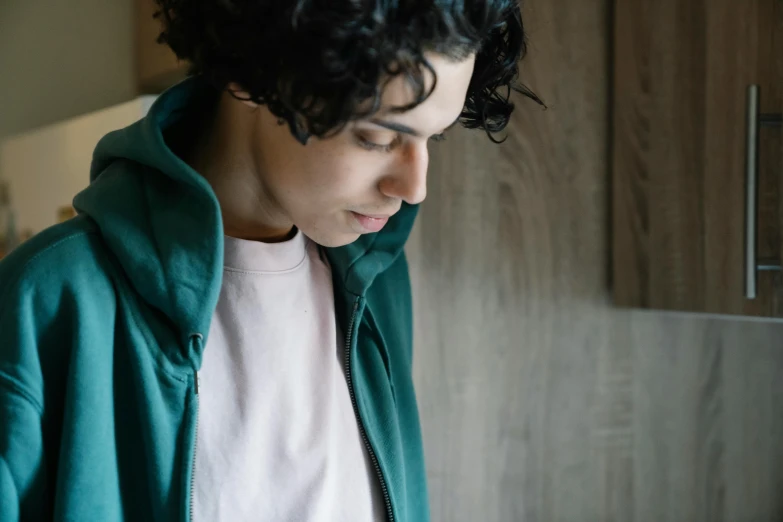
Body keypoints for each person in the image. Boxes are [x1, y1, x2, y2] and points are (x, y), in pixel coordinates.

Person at [0, 0, 542, 520]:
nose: (415, 187)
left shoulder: (377, 279)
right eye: (377, 137)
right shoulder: (46, 300)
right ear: (255, 74)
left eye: (434, 137)